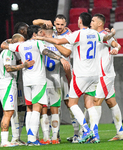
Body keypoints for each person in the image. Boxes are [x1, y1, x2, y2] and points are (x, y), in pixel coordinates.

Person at [33, 12, 116, 143]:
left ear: (80, 21)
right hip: (95, 74)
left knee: (72, 103)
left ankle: (86, 130)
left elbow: (58, 41)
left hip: (81, 74)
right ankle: (95, 134)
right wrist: (111, 33)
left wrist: (42, 39)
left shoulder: (78, 34)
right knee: (89, 104)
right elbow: (107, 38)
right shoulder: (96, 34)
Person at [1, 25, 69, 146]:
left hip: (26, 81)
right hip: (38, 80)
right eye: (40, 33)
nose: (42, 35)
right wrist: (61, 58)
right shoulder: (37, 43)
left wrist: (10, 41)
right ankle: (32, 139)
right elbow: (47, 52)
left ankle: (30, 138)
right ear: (34, 34)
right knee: (37, 108)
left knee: (30, 109)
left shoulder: (20, 45)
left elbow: (3, 46)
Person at [33, 14, 80, 143]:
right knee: (52, 107)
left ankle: (77, 132)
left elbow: (66, 53)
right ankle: (55, 135)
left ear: (65, 24)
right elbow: (35, 21)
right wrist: (44, 20)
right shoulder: (51, 32)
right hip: (52, 74)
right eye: (57, 24)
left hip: (65, 74)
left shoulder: (68, 34)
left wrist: (53, 41)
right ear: (54, 23)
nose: (59, 27)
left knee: (69, 103)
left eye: (62, 25)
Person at [90, 14, 123, 141]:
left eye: (93, 21)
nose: (91, 22)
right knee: (111, 102)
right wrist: (116, 47)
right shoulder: (95, 34)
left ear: (100, 24)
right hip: (104, 74)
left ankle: (94, 134)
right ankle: (120, 133)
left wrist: (116, 48)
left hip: (104, 74)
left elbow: (115, 43)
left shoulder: (103, 35)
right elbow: (115, 44)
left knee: (96, 101)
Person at [0, 33, 35, 147]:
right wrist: (25, 65)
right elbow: (8, 68)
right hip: (7, 84)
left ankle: (13, 139)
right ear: (15, 43)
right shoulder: (8, 52)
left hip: (10, 84)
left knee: (11, 112)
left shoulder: (12, 53)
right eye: (21, 42)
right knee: (8, 112)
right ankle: (4, 141)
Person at [40, 26, 70, 144]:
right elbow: (66, 56)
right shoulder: (58, 47)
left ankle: (46, 137)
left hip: (43, 82)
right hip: (56, 81)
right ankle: (55, 138)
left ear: (43, 34)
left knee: (43, 110)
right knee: (55, 111)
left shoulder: (40, 45)